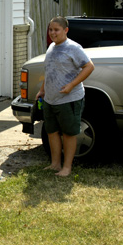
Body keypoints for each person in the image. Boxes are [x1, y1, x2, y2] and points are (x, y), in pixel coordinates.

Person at [36, 16, 94, 177]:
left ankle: (67, 168)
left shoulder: (73, 47)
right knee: (52, 131)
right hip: (50, 99)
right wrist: (42, 90)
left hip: (69, 99)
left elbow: (89, 66)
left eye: (56, 30)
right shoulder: (51, 47)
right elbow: (49, 71)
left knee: (69, 133)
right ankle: (55, 164)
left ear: (65, 30)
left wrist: (71, 85)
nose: (53, 33)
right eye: (50, 29)